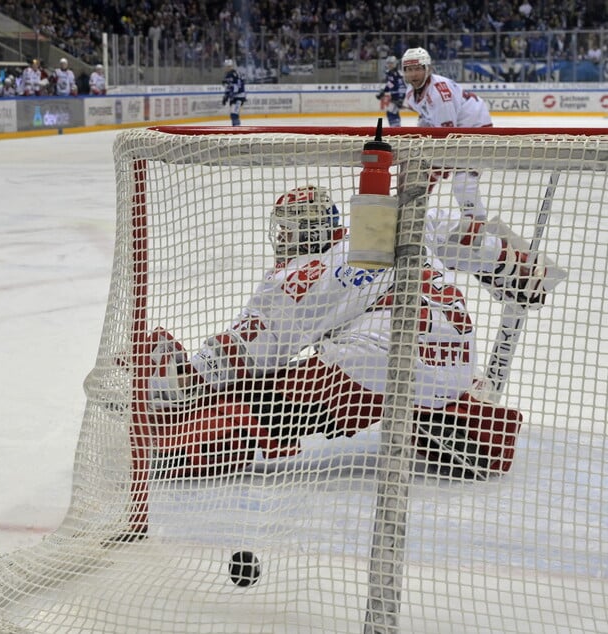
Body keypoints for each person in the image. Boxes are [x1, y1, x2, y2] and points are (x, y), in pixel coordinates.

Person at [145, 186, 554, 479]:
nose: (282, 239)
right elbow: (468, 234)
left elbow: (249, 352)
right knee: (360, 353)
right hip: (458, 366)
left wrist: (188, 378)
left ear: (304, 233)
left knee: (270, 401)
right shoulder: (388, 223)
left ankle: (179, 449)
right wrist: (516, 267)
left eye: (287, 230)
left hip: (373, 366)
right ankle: (453, 417)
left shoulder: (302, 275)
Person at [401, 47, 493, 216]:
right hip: (456, 130)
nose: (413, 74)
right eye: (409, 70)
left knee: (463, 181)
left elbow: (447, 138)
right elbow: (426, 119)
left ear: (428, 69)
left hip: (476, 130)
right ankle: (414, 203)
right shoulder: (410, 93)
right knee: (425, 166)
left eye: (418, 69)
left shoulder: (439, 95)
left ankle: (476, 224)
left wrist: (434, 169)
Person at [375, 56, 406, 127]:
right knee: (392, 112)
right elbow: (390, 85)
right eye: (388, 63)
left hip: (398, 97)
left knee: (391, 112)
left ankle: (396, 129)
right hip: (394, 97)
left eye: (391, 63)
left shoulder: (398, 74)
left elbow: (402, 87)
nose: (389, 65)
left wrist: (401, 99)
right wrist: (383, 92)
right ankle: (396, 127)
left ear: (395, 64)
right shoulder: (389, 73)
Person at [221, 58, 246, 126]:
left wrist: (229, 94)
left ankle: (236, 129)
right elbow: (228, 87)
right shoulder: (227, 75)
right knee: (233, 114)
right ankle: (235, 127)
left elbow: (238, 87)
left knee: (234, 114)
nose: (225, 68)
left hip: (239, 97)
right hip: (234, 98)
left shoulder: (235, 74)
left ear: (230, 66)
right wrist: (226, 96)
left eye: (227, 66)